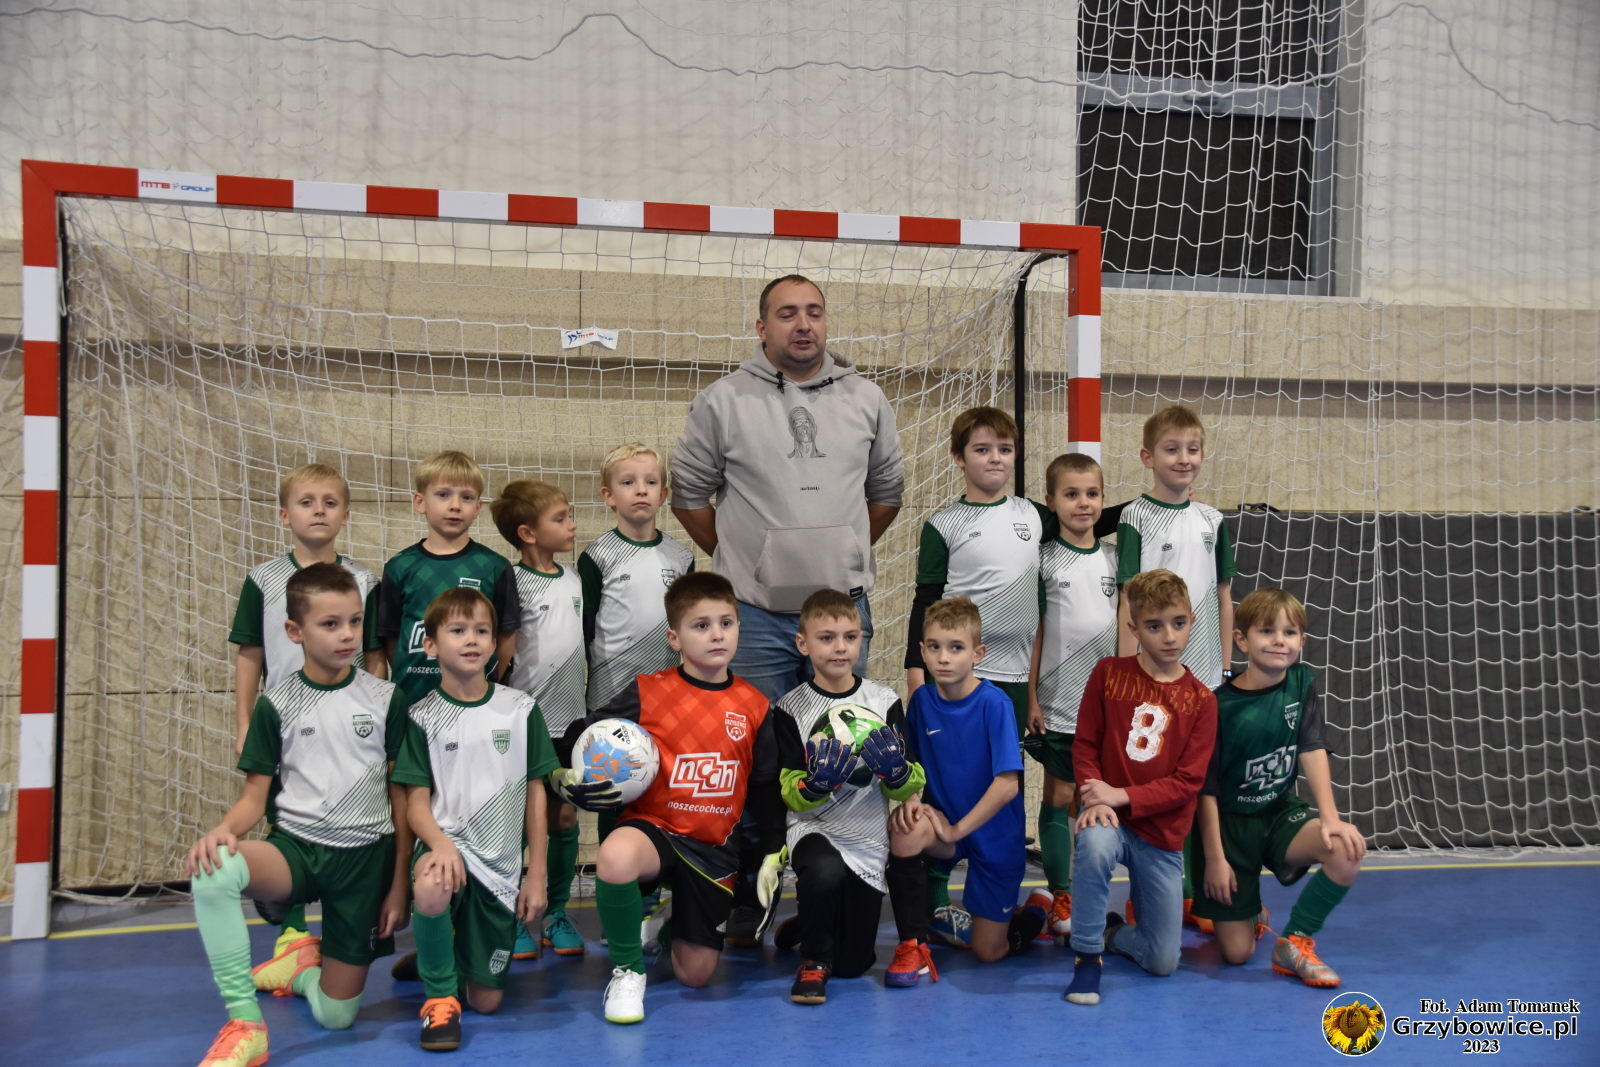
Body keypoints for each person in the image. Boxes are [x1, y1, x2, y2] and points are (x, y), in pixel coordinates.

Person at [671, 273, 904, 941]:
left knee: (840, 750)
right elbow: (689, 495)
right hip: (756, 617)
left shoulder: (866, 398)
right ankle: (753, 887)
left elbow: (886, 493)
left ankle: (834, 883)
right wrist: (749, 559)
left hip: (840, 614)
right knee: (758, 761)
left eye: (814, 312)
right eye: (786, 314)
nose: (803, 325)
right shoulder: (723, 401)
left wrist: (838, 554)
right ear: (761, 327)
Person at [188, 564, 409, 1067]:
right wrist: (223, 831)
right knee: (213, 870)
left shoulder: (385, 698)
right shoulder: (276, 704)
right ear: (295, 631)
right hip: (297, 852)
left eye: (354, 621)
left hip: (364, 863)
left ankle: (299, 971)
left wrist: (398, 884)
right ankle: (245, 1025)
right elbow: (254, 797)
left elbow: (401, 799)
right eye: (330, 624)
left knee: (337, 1016)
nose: (347, 634)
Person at [561, 572, 792, 1025]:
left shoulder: (755, 706)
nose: (716, 634)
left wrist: (771, 851)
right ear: (675, 638)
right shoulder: (649, 690)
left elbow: (765, 788)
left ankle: (666, 927)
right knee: (615, 857)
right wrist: (566, 774)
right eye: (701, 625)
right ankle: (628, 972)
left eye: (726, 623)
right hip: (657, 831)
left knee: (696, 975)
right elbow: (584, 732)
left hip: (713, 850)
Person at [227, 462, 384, 973]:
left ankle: (347, 926)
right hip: (286, 725)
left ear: (345, 515)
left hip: (348, 725)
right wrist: (244, 721)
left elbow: (376, 656)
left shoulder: (364, 580)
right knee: (286, 814)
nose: (318, 511)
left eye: (330, 503)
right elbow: (249, 653)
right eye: (306, 502)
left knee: (349, 815)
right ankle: (292, 930)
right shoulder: (264, 580)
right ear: (283, 514)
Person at [390, 588, 560, 1051]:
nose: (472, 640)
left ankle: (438, 952)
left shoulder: (520, 709)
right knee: (432, 881)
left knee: (487, 1002)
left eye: (482, 631)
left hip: (500, 869)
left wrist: (537, 873)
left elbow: (536, 793)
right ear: (430, 645)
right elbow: (416, 804)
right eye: (458, 630)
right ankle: (440, 997)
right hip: (449, 850)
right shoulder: (422, 716)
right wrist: (441, 844)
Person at [902, 405, 1050, 940]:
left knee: (1005, 778)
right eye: (982, 449)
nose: (995, 459)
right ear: (959, 458)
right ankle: (937, 902)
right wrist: (916, 674)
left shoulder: (1035, 516)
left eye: (1004, 450)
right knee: (944, 780)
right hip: (954, 677)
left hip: (1013, 674)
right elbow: (924, 603)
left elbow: (1090, 516)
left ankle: (1013, 894)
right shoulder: (943, 525)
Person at [1191, 588, 1366, 987]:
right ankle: (1248, 912)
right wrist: (1215, 858)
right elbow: (1206, 790)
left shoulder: (1301, 682)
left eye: (1289, 633)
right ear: (1241, 640)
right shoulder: (1217, 706)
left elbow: (1312, 746)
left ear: (1302, 641)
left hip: (1278, 813)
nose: (1278, 641)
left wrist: (1331, 818)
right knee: (1237, 954)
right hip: (1230, 830)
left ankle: (1294, 941)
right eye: (1266, 631)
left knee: (1345, 848)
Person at [1064, 569, 1218, 1007]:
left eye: (1178, 623)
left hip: (1161, 835)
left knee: (1163, 960)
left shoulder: (1202, 701)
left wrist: (1122, 795)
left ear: (1191, 620)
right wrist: (1094, 794)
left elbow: (1188, 783)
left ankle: (1112, 933)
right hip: (1109, 817)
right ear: (1133, 628)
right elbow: (1085, 744)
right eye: (1154, 626)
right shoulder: (1108, 674)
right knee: (1094, 846)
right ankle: (1087, 958)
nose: (1169, 636)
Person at [771, 588, 926, 1003]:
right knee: (823, 873)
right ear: (803, 644)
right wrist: (814, 786)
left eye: (850, 637)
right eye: (827, 637)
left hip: (867, 836)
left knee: (854, 964)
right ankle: (813, 960)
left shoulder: (884, 701)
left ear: (861, 640)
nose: (840, 647)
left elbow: (912, 781)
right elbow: (788, 790)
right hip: (814, 827)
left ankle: (811, 921)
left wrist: (897, 773)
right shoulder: (789, 708)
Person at [1115, 405, 1237, 924]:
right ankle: (1146, 896)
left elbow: (1225, 596)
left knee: (1197, 786)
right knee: (1153, 783)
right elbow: (1127, 601)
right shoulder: (1134, 517)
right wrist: (1128, 675)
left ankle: (1193, 894)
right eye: (1171, 449)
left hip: (1202, 679)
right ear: (1148, 457)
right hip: (1151, 678)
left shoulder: (1213, 520)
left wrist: (1225, 671)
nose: (1183, 458)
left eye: (1192, 449)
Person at [889, 597, 1051, 966]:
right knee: (904, 827)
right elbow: (912, 764)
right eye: (935, 647)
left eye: (956, 648)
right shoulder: (922, 701)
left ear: (978, 653)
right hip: (948, 828)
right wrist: (911, 800)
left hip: (993, 837)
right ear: (922, 652)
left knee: (988, 951)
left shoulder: (995, 704)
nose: (944, 658)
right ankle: (913, 945)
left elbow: (1007, 786)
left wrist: (956, 830)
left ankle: (1035, 910)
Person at [489, 479, 588, 961]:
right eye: (561, 518)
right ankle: (510, 914)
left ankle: (557, 912)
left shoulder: (574, 580)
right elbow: (502, 654)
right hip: (526, 722)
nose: (572, 525)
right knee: (517, 823)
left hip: (571, 721)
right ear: (527, 533)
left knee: (564, 816)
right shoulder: (511, 581)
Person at [1026, 452, 1120, 943]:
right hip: (1059, 700)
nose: (1083, 503)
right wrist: (1032, 697)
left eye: (1092, 494)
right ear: (1051, 501)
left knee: (1094, 799)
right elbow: (1035, 633)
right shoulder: (1043, 561)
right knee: (1060, 796)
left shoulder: (1116, 559)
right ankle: (1060, 892)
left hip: (1106, 705)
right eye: (1071, 494)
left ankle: (1088, 891)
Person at [377, 451, 518, 709]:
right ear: (420, 502)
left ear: (478, 508)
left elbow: (506, 635)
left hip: (474, 702)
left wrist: (486, 677)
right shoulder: (399, 567)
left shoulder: (494, 567)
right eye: (443, 495)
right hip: (413, 701)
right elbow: (392, 636)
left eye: (467, 497)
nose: (455, 505)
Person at [580, 443, 695, 715]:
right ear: (609, 496)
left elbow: (687, 629)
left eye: (651, 482)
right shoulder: (597, 556)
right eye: (628, 482)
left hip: (665, 692)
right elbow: (585, 629)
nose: (641, 490)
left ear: (663, 494)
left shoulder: (681, 557)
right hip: (609, 694)